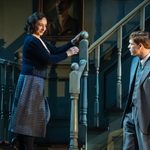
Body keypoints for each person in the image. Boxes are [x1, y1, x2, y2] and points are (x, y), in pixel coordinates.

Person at [8, 12, 83, 150]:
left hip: (35, 81)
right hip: (31, 81)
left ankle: (18, 141)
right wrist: (69, 53)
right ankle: (21, 143)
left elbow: (54, 50)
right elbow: (49, 59)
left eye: (45, 25)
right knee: (29, 118)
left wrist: (72, 42)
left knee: (31, 116)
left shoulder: (38, 39)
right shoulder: (31, 40)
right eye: (40, 25)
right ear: (32, 25)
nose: (43, 28)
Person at [122, 31, 150, 150]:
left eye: (131, 44)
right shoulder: (134, 62)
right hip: (130, 114)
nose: (128, 46)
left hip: (146, 117)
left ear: (140, 46)